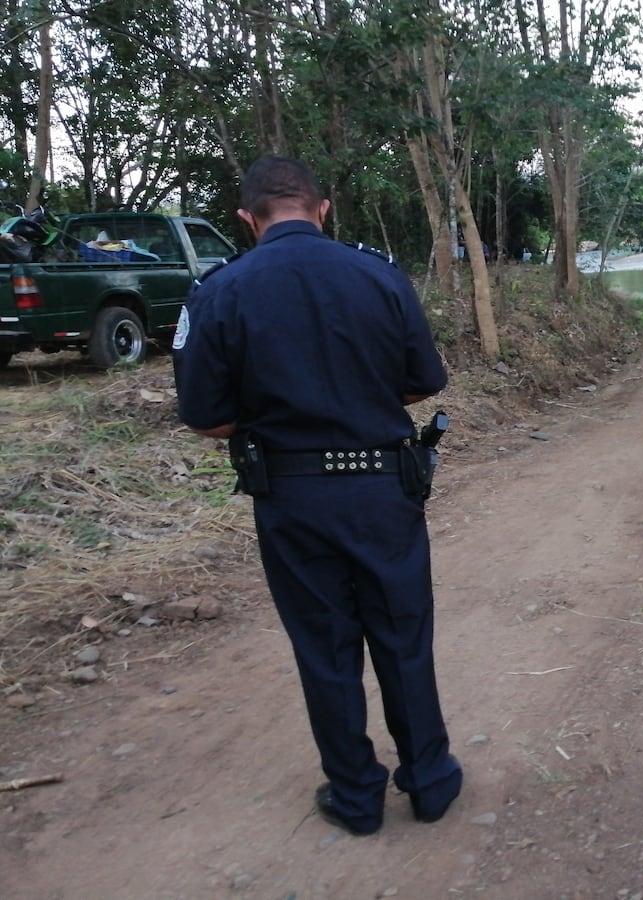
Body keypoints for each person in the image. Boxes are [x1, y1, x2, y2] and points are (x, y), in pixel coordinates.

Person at [172, 156, 462, 835]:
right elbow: (424, 381)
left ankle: (358, 798)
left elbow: (206, 417)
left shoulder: (218, 291)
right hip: (385, 490)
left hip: (293, 500)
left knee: (326, 649)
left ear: (248, 220)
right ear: (322, 208)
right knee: (404, 638)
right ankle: (431, 782)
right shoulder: (379, 275)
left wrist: (283, 415)